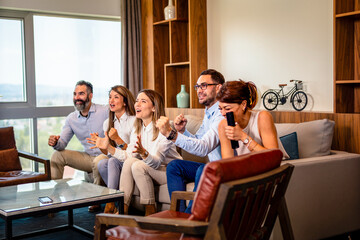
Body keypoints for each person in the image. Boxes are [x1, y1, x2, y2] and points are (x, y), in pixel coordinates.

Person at [89, 89, 182, 216]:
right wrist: (109, 148)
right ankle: (123, 209)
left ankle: (149, 210)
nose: (137, 104)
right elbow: (128, 156)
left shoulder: (165, 128)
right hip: (150, 168)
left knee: (137, 165)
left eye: (143, 101)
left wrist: (143, 153)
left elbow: (156, 163)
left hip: (168, 171)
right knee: (131, 161)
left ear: (154, 108)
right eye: (137, 101)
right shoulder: (137, 129)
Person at [156, 69, 225, 213]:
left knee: (203, 169)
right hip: (211, 167)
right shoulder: (209, 112)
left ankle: (189, 220)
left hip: (223, 170)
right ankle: (178, 215)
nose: (199, 90)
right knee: (174, 166)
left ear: (218, 87)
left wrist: (171, 134)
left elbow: (203, 148)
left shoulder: (222, 114)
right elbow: (199, 140)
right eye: (197, 86)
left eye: (204, 85)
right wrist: (183, 131)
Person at [48, 80, 108, 212]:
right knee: (57, 156)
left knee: (99, 160)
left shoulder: (104, 111)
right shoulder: (71, 118)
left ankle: (95, 200)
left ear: (90, 96)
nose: (77, 98)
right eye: (75, 94)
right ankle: (55, 199)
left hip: (106, 156)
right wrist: (55, 142)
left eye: (81, 94)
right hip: (88, 157)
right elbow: (62, 143)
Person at [87, 85, 136, 214]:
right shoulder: (107, 122)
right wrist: (101, 144)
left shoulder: (134, 121)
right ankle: (116, 198)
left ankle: (110, 203)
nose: (111, 101)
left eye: (116, 97)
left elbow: (133, 150)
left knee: (112, 161)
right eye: (110, 97)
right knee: (102, 163)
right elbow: (107, 151)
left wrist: (118, 139)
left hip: (131, 159)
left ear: (125, 102)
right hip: (116, 158)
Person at [217, 80, 278, 158]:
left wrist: (242, 136)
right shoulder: (223, 125)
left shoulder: (263, 117)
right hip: (249, 168)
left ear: (243, 104)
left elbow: (273, 157)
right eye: (220, 109)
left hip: (277, 167)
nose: (222, 113)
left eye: (227, 109)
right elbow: (227, 161)